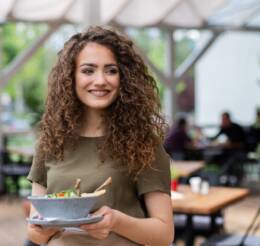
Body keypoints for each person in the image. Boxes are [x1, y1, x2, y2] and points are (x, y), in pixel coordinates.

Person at [27, 26, 173, 246]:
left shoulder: (143, 143)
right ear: (71, 77)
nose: (100, 80)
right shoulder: (50, 142)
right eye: (88, 70)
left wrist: (116, 222)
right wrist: (48, 227)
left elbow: (164, 235)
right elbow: (35, 234)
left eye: (111, 70)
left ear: (124, 78)